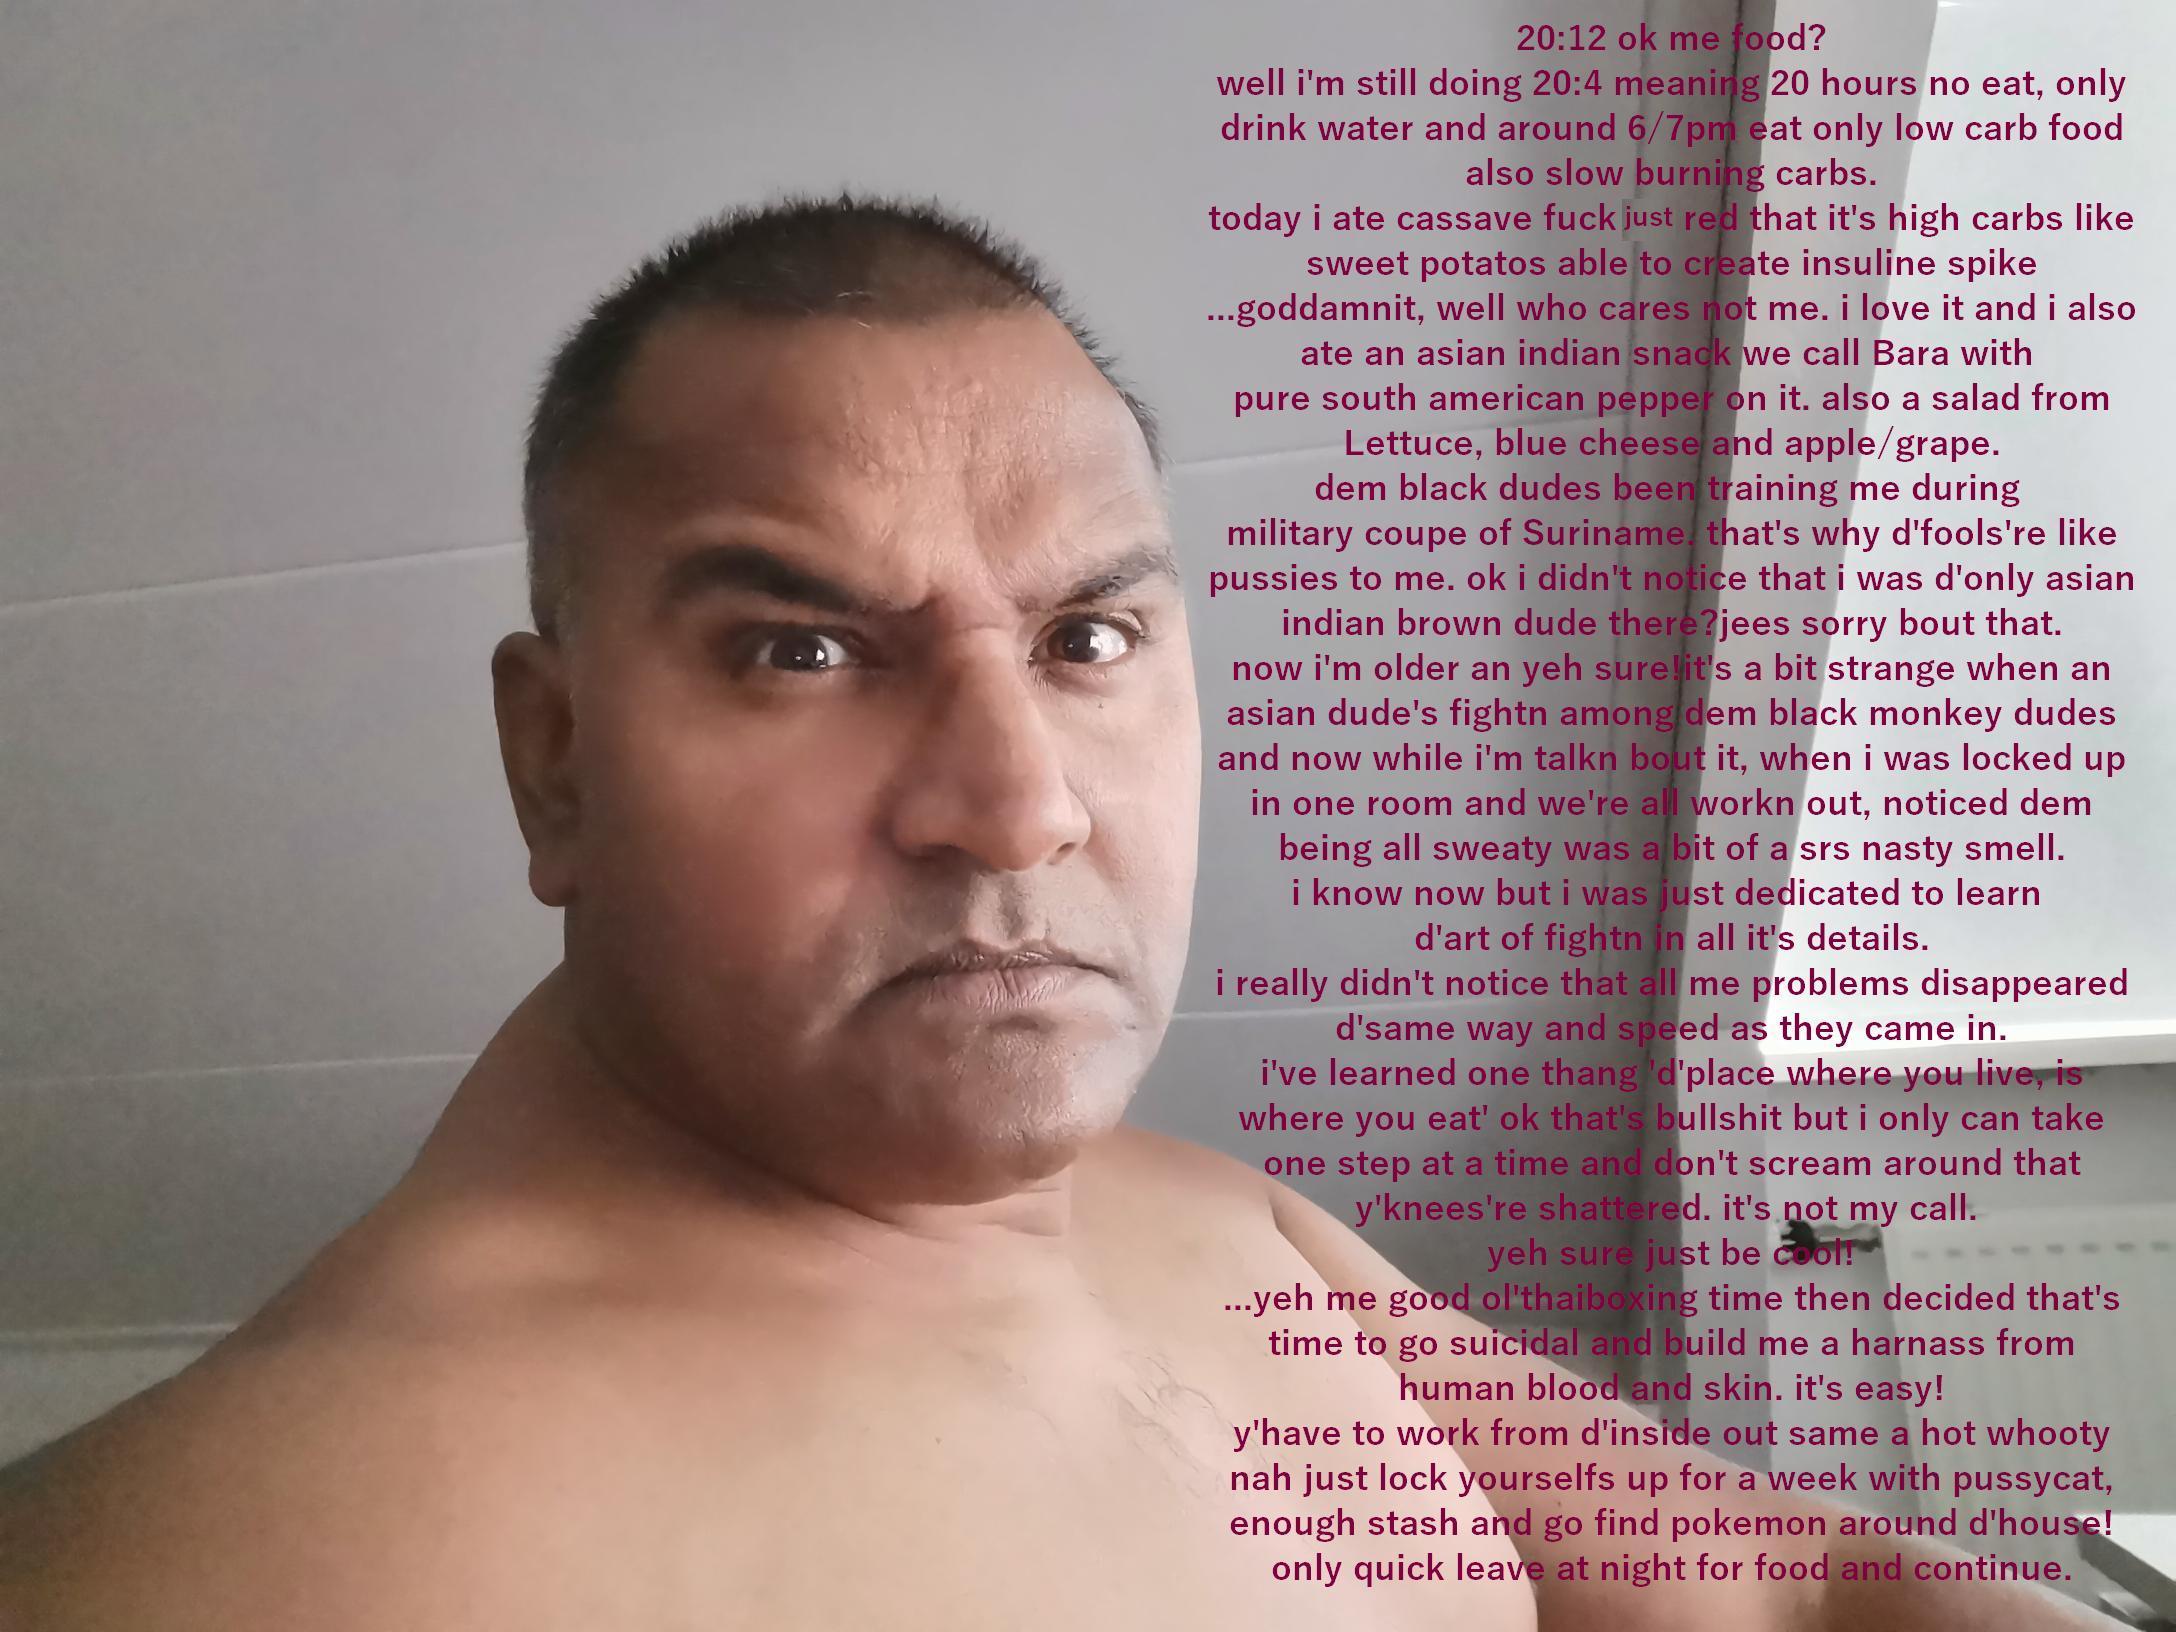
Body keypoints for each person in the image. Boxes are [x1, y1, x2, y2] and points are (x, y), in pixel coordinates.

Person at [0, 195, 2102, 1630]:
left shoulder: (1232, 1225)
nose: (1018, 805)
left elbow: (1780, 1588)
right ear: (555, 762)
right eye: (801, 650)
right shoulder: (296, 1548)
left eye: (1087, 637)